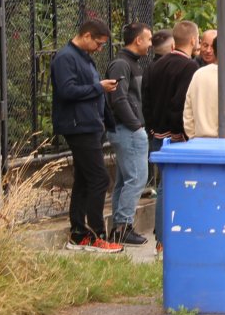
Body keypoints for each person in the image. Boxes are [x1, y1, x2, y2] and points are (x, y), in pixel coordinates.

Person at [51, 17, 121, 252]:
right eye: (99, 43)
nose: (100, 49)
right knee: (100, 179)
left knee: (84, 179)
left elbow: (93, 93)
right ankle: (95, 234)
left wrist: (108, 120)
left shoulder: (84, 58)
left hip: (91, 125)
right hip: (78, 126)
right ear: (87, 36)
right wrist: (98, 87)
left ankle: (79, 232)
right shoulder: (65, 58)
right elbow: (67, 91)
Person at [105, 22, 152, 246]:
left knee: (125, 181)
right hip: (128, 130)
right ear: (138, 40)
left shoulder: (130, 63)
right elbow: (118, 98)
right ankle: (123, 227)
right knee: (136, 179)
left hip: (128, 129)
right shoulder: (121, 64)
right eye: (149, 39)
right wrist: (136, 125)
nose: (151, 44)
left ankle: (119, 227)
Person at [184, 31, 225, 140]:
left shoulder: (198, 74)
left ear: (214, 51)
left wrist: (193, 137)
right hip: (224, 143)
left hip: (198, 141)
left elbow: (188, 111)